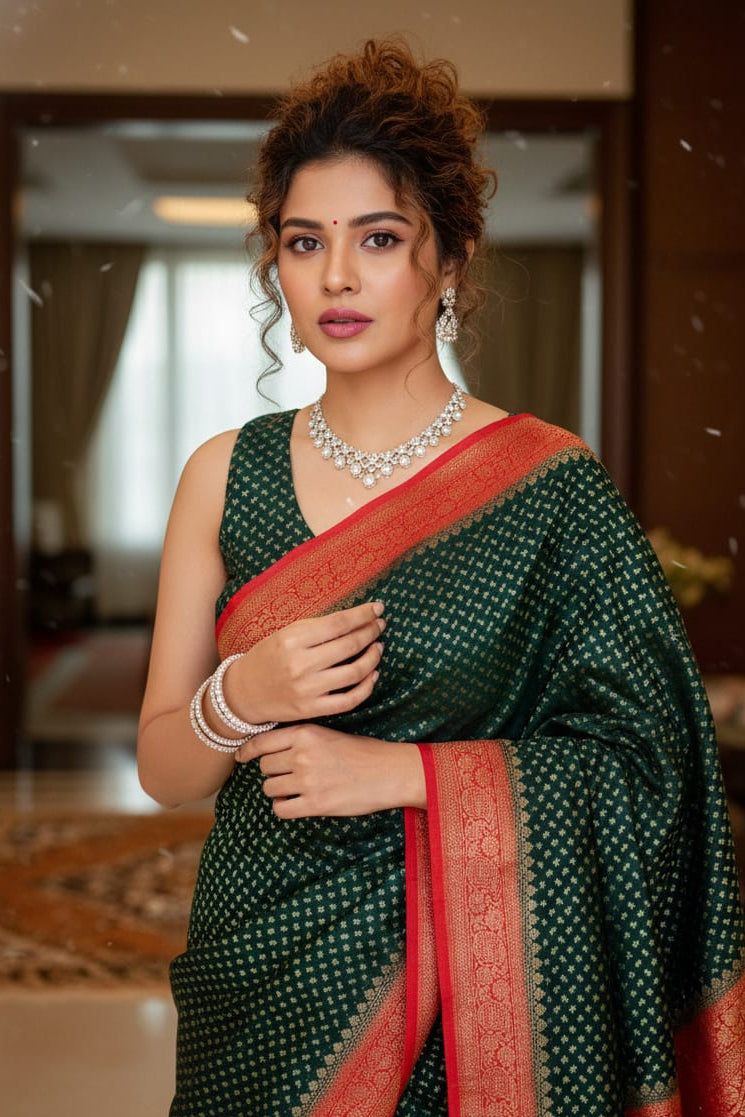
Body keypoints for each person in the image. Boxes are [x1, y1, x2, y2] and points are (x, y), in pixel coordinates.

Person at [137, 38, 745, 1117]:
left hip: (481, 987)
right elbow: (163, 766)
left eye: (378, 238)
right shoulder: (223, 473)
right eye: (303, 241)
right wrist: (242, 696)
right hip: (266, 968)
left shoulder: (550, 487)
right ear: (275, 265)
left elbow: (655, 765)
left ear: (452, 256)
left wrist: (406, 775)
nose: (335, 276)